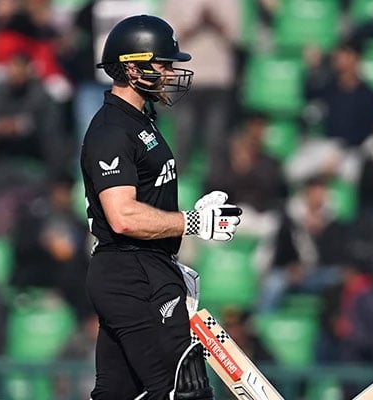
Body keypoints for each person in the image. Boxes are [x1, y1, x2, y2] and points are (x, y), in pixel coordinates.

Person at [80, 15, 241, 400]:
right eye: (163, 64)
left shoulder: (142, 121)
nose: (170, 72)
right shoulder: (111, 132)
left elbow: (147, 199)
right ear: (132, 67)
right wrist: (193, 222)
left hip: (143, 270)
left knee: (117, 394)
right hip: (133, 273)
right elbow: (122, 216)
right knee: (183, 391)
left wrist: (187, 215)